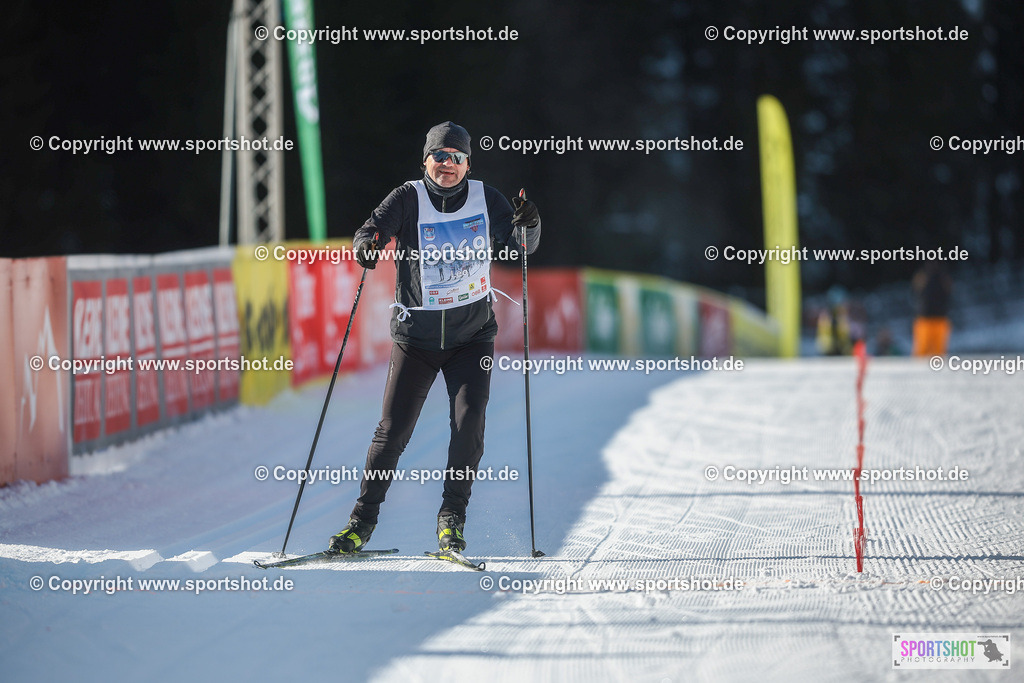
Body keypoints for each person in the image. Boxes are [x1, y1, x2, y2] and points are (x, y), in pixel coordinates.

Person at [329, 121, 541, 555]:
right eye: (439, 156)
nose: (448, 164)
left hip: (472, 338)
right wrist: (367, 244)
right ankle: (361, 522)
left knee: (469, 425)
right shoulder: (407, 197)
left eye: (456, 157)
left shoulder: (487, 198)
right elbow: (371, 230)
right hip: (416, 339)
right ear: (425, 160)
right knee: (392, 431)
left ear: (468, 164)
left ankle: (451, 520)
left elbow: (521, 246)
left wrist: (530, 225)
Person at [911, 263, 952, 356]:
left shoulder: (943, 277)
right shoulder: (922, 276)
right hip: (925, 319)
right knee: (922, 350)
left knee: (939, 351)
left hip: (939, 319)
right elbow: (915, 292)